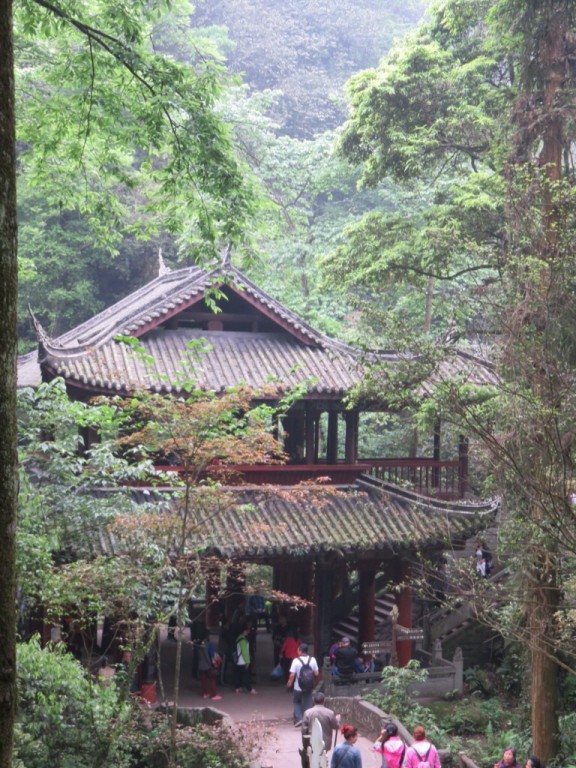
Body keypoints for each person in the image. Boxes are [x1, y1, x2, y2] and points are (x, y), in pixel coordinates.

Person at [287, 642, 319, 727]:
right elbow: (316, 673)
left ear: (300, 651)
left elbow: (292, 675)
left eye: (298, 650)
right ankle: (308, 721)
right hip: (309, 686)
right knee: (308, 704)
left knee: (296, 702)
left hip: (298, 687)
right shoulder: (313, 660)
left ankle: (300, 718)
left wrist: (289, 683)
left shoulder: (296, 661)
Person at [196, 630, 222, 701]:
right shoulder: (209, 644)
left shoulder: (199, 645)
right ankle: (213, 695)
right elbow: (213, 654)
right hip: (208, 665)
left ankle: (205, 693)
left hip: (201, 665)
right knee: (212, 680)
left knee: (203, 680)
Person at [234, 625, 257, 694]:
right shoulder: (243, 640)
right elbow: (244, 652)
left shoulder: (238, 639)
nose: (248, 632)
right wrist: (247, 661)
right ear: (244, 631)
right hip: (243, 661)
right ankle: (249, 688)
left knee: (238, 674)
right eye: (247, 630)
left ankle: (237, 687)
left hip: (238, 660)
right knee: (246, 675)